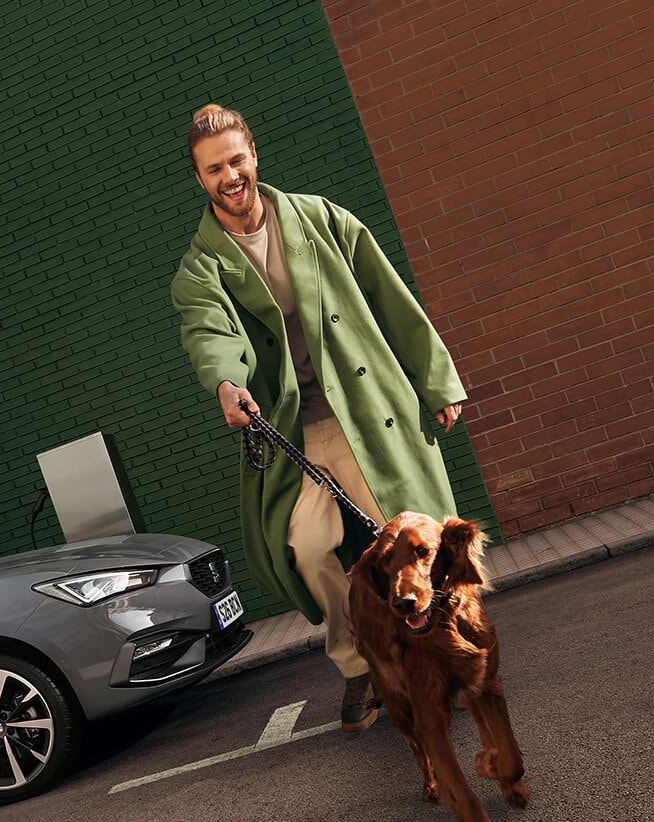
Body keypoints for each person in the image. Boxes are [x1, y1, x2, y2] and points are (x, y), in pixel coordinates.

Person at [169, 103, 471, 733]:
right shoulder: (200, 268)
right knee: (306, 550)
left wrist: (435, 379)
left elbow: (390, 294)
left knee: (407, 537)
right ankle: (360, 667)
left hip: (363, 412)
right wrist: (226, 383)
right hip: (292, 436)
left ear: (254, 155)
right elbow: (209, 333)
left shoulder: (320, 218)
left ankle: (445, 655)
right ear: (200, 179)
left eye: (235, 160)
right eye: (213, 169)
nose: (229, 176)